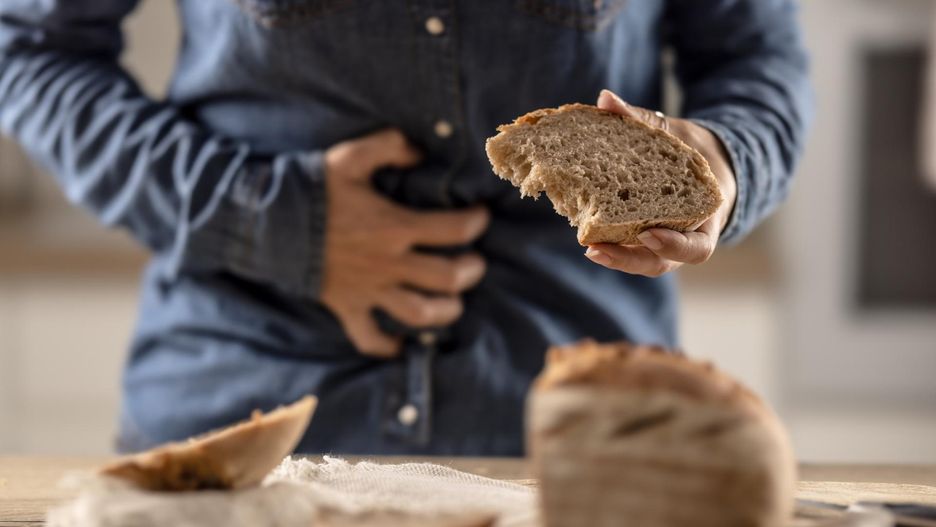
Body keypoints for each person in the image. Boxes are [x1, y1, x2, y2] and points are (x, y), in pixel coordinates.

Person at [0, 1, 810, 455]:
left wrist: (724, 165)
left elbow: (757, 57)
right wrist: (273, 219)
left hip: (578, 441)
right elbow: (30, 50)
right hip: (238, 424)